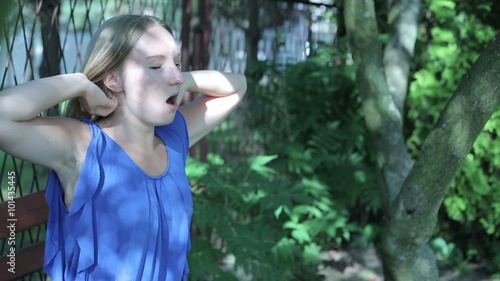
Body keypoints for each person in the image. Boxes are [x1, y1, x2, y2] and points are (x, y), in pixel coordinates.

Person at [0, 14, 246, 280]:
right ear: (113, 79)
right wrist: (80, 84)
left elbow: (236, 87)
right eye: (154, 66)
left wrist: (183, 77)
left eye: (176, 61)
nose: (175, 76)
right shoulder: (84, 146)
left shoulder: (172, 136)